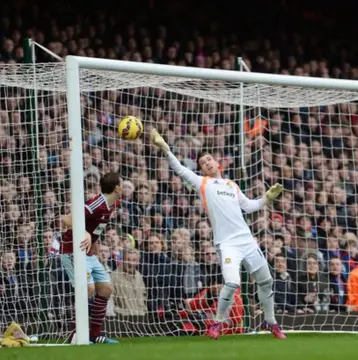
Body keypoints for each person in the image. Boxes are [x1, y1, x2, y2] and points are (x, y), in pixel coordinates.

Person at [150, 129, 286, 340]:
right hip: (227, 244)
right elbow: (179, 169)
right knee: (232, 283)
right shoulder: (203, 184)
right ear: (202, 169)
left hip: (247, 242)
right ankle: (217, 323)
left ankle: (271, 323)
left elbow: (249, 207)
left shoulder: (231, 185)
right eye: (203, 163)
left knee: (266, 281)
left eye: (210, 160)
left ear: (217, 163)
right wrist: (165, 148)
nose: (208, 164)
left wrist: (266, 199)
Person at [60, 171, 121, 344]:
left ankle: (95, 335)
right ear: (117, 187)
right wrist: (85, 232)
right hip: (72, 251)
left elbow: (95, 228)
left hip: (88, 253)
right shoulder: (97, 203)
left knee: (106, 288)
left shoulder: (113, 204)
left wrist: (92, 240)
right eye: (122, 184)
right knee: (88, 289)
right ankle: (75, 335)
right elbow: (67, 219)